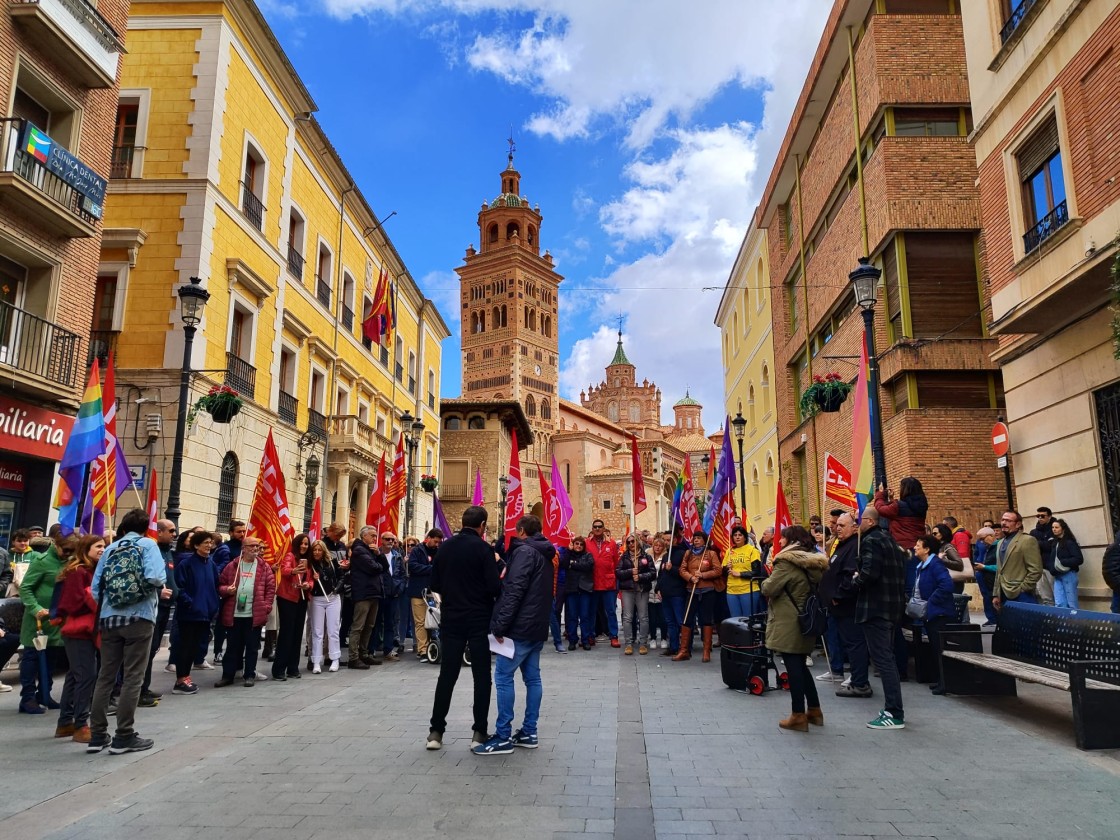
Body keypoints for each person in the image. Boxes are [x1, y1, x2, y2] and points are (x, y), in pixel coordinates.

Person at [88, 508, 168, 754]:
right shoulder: (148, 545)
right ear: (145, 527)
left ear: (123, 525)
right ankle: (124, 735)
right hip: (140, 618)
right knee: (133, 677)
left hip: (109, 619)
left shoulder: (110, 548)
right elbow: (156, 576)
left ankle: (98, 735)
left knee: (105, 676)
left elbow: (95, 589)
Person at [473, 515, 554, 756]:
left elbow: (514, 590)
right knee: (532, 678)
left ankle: (503, 735)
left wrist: (499, 625)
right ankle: (529, 731)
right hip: (536, 625)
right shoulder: (544, 552)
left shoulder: (525, 552)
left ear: (520, 531)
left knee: (503, 676)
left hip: (519, 627)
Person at [427, 505, 501, 751]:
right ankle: (479, 732)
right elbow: (493, 587)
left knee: (447, 675)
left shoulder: (445, 547)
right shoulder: (484, 549)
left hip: (452, 616)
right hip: (479, 617)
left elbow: (434, 582)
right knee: (481, 676)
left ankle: (436, 732)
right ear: (482, 526)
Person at [760, 525, 829, 731]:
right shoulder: (813, 561)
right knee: (799, 665)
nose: (779, 542)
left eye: (782, 538)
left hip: (789, 620)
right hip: (806, 617)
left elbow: (769, 587)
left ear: (791, 541)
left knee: (793, 667)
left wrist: (766, 582)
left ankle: (798, 714)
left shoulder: (787, 562)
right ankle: (814, 711)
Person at [854, 507, 907, 731]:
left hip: (875, 608)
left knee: (883, 660)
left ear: (869, 521)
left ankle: (894, 712)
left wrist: (855, 580)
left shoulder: (871, 541)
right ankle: (893, 710)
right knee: (887, 659)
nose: (859, 525)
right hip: (891, 608)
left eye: (860, 521)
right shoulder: (890, 540)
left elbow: (869, 573)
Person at [54, 535, 104, 742]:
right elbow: (71, 603)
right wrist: (92, 598)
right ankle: (81, 724)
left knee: (76, 675)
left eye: (104, 546)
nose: (102, 549)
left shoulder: (90, 571)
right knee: (86, 675)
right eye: (98, 546)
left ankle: (66, 722)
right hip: (78, 629)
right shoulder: (78, 572)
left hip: (86, 630)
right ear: (86, 548)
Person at [17, 531, 69, 714]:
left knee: (51, 657)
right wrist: (35, 608)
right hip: (37, 620)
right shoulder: (41, 561)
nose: (68, 554)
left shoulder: (69, 562)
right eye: (65, 550)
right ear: (57, 545)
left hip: (56, 619)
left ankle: (44, 693)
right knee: (31, 658)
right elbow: (26, 588)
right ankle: (28, 697)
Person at [215, 536, 275, 686]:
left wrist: (266, 607)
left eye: (257, 546)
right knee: (232, 647)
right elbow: (220, 584)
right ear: (243, 549)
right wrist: (226, 590)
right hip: (234, 613)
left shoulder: (264, 566)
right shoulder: (233, 566)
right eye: (252, 546)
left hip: (254, 614)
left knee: (252, 647)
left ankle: (249, 674)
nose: (256, 549)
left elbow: (270, 589)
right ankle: (227, 675)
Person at [822, 513, 871, 698]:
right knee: (849, 644)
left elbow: (852, 575)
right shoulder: (841, 546)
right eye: (838, 525)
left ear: (854, 527)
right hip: (838, 607)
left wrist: (838, 595)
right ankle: (857, 679)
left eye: (843, 525)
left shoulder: (853, 548)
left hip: (847, 606)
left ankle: (860, 683)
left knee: (855, 644)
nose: (838, 528)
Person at [173, 530, 220, 695]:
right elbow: (179, 587)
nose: (209, 546)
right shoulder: (186, 564)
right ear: (196, 545)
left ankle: (186, 676)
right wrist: (189, 603)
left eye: (210, 543)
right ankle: (181, 679)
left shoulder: (211, 564)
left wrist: (213, 605)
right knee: (186, 646)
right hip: (190, 614)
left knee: (195, 647)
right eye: (205, 543)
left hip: (205, 614)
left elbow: (215, 585)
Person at [140, 519, 178, 705]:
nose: (174, 534)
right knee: (146, 650)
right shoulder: (150, 551)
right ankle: (139, 689)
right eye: (170, 531)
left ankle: (144, 687)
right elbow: (143, 580)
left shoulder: (168, 553)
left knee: (153, 649)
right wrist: (157, 592)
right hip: (152, 607)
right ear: (158, 532)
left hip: (165, 607)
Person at [912, 534, 955, 694]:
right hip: (931, 614)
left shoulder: (935, 565)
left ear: (927, 549)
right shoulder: (922, 566)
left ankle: (944, 683)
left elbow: (946, 585)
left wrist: (930, 602)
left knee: (939, 649)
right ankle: (939, 680)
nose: (915, 547)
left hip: (939, 614)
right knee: (935, 648)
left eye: (918, 545)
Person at [672, 533, 722, 663]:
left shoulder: (711, 554)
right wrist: (690, 577)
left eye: (699, 538)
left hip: (707, 590)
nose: (696, 540)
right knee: (687, 618)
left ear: (705, 541)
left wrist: (703, 575)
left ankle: (706, 650)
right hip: (691, 590)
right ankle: (684, 650)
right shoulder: (688, 553)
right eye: (694, 538)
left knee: (706, 619)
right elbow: (682, 569)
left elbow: (718, 570)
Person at [346, 527, 384, 670]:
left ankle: (364, 653)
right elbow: (374, 568)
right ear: (364, 536)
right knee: (358, 626)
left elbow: (383, 567)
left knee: (369, 626)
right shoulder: (359, 550)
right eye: (372, 536)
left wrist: (379, 555)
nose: (375, 539)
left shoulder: (372, 551)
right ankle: (353, 657)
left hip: (374, 592)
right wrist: (378, 562)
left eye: (376, 536)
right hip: (363, 593)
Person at [209, 519, 244, 665]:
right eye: (238, 531)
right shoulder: (225, 549)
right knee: (222, 624)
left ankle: (235, 652)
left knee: (238, 624)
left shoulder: (245, 548)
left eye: (243, 531)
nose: (242, 534)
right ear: (230, 533)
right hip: (227, 592)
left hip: (242, 593)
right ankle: (218, 652)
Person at [993, 511, 1043, 610]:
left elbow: (1036, 569)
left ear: (1018, 524)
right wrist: (995, 594)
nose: (1004, 523)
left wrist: (1023, 588)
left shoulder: (1027, 540)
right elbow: (999, 571)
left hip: (1021, 594)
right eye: (1003, 520)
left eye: (1008, 521)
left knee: (1026, 624)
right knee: (1008, 624)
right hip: (1003, 594)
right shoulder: (1000, 543)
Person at [616, 535, 653, 655]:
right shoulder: (624, 557)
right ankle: (628, 643)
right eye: (629, 542)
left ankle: (643, 643)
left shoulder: (646, 556)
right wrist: (630, 572)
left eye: (633, 541)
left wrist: (641, 576)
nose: (631, 543)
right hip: (628, 590)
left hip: (642, 590)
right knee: (627, 617)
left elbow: (653, 573)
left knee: (643, 617)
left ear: (638, 542)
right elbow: (618, 572)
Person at [586, 519, 620, 646]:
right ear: (592, 528)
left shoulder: (611, 544)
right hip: (593, 583)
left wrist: (616, 581)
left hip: (608, 583)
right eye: (595, 527)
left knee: (610, 611)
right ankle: (590, 635)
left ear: (604, 528)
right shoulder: (587, 543)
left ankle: (614, 636)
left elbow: (616, 562)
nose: (597, 529)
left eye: (600, 526)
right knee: (592, 611)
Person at [873, 477, 928, 553]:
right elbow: (900, 514)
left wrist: (880, 494)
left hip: (903, 548)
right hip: (918, 546)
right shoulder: (922, 505)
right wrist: (892, 499)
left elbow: (880, 509)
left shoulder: (898, 506)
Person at [407, 530, 439, 660]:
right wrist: (431, 569)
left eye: (439, 542)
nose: (437, 544)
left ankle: (433, 645)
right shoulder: (417, 550)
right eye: (435, 541)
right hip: (418, 591)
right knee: (420, 621)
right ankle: (423, 649)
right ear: (428, 538)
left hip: (433, 592)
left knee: (433, 620)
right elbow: (413, 566)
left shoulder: (439, 551)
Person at [560, 536, 595, 650]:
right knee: (572, 617)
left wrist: (573, 564)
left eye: (581, 544)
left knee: (584, 616)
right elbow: (564, 564)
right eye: (576, 544)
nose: (578, 546)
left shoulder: (588, 555)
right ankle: (572, 640)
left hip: (584, 589)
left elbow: (588, 566)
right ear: (573, 545)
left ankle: (585, 640)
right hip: (572, 589)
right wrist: (569, 552)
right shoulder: (568, 555)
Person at [660, 530, 690, 657]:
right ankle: (673, 646)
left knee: (680, 621)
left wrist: (671, 568)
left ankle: (685, 648)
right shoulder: (666, 555)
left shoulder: (682, 554)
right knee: (670, 622)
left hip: (677, 593)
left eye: (669, 540)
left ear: (675, 540)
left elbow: (683, 572)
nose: (667, 542)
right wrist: (658, 588)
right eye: (665, 540)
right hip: (666, 593)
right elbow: (661, 574)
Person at [723, 525, 763, 619]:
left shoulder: (752, 550)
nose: (737, 537)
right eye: (735, 535)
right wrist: (726, 568)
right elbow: (722, 572)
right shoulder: (729, 551)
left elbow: (757, 572)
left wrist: (740, 574)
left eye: (740, 535)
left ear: (745, 537)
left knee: (748, 620)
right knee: (735, 621)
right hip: (731, 591)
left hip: (748, 590)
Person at [1048, 518, 1083, 609]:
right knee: (1059, 603)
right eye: (1052, 527)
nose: (1054, 529)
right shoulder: (1055, 542)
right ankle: (1063, 622)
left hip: (1069, 574)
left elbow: (1079, 559)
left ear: (1063, 529)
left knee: (1071, 603)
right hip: (1057, 574)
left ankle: (1074, 622)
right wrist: (1052, 568)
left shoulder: (1069, 542)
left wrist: (1063, 562)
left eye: (1056, 527)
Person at [1030, 507, 1057, 605]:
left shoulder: (1055, 529)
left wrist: (1038, 543)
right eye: (1038, 516)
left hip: (1052, 567)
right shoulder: (1034, 532)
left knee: (1057, 596)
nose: (1040, 518)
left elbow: (1052, 546)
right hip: (1039, 567)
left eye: (1043, 516)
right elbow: (1031, 547)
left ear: (1049, 516)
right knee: (1045, 597)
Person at [972, 527, 999, 625]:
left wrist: (985, 567)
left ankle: (996, 620)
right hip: (984, 579)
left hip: (995, 581)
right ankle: (991, 619)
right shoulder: (987, 547)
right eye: (979, 540)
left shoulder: (999, 547)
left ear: (991, 536)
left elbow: (1002, 567)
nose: (981, 542)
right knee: (987, 598)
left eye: (983, 539)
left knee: (994, 601)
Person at [647, 535, 669, 649]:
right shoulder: (648, 555)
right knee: (652, 616)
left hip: (661, 588)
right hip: (649, 588)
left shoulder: (665, 557)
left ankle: (664, 638)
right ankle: (653, 638)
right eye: (656, 545)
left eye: (660, 546)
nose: (658, 547)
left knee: (662, 616)